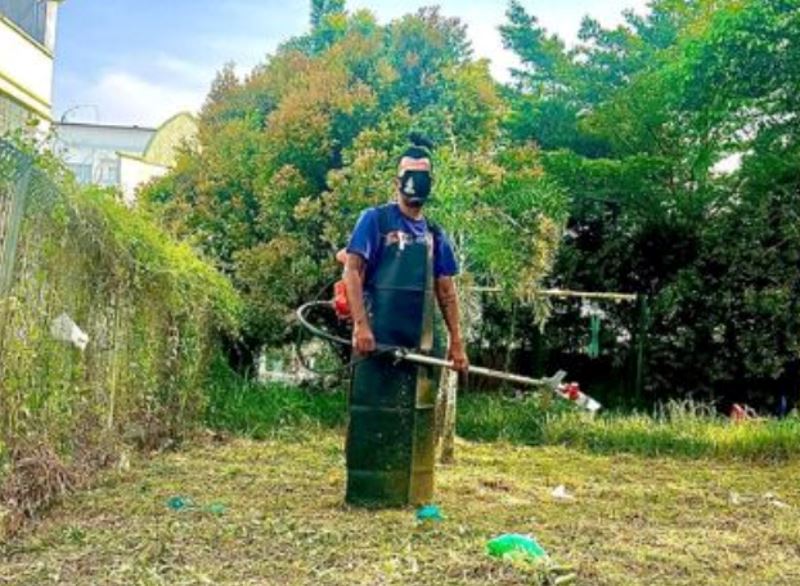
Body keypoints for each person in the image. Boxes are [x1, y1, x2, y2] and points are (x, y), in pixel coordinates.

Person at [341, 134, 468, 507]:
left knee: (417, 418)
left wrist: (457, 342)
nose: (415, 183)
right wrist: (362, 327)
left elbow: (446, 291)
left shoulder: (435, 234)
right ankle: (368, 492)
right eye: (409, 174)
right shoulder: (375, 220)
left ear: (431, 183)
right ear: (397, 181)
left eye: (423, 175)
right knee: (372, 413)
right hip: (376, 340)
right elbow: (353, 272)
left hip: (422, 345)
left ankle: (410, 495)